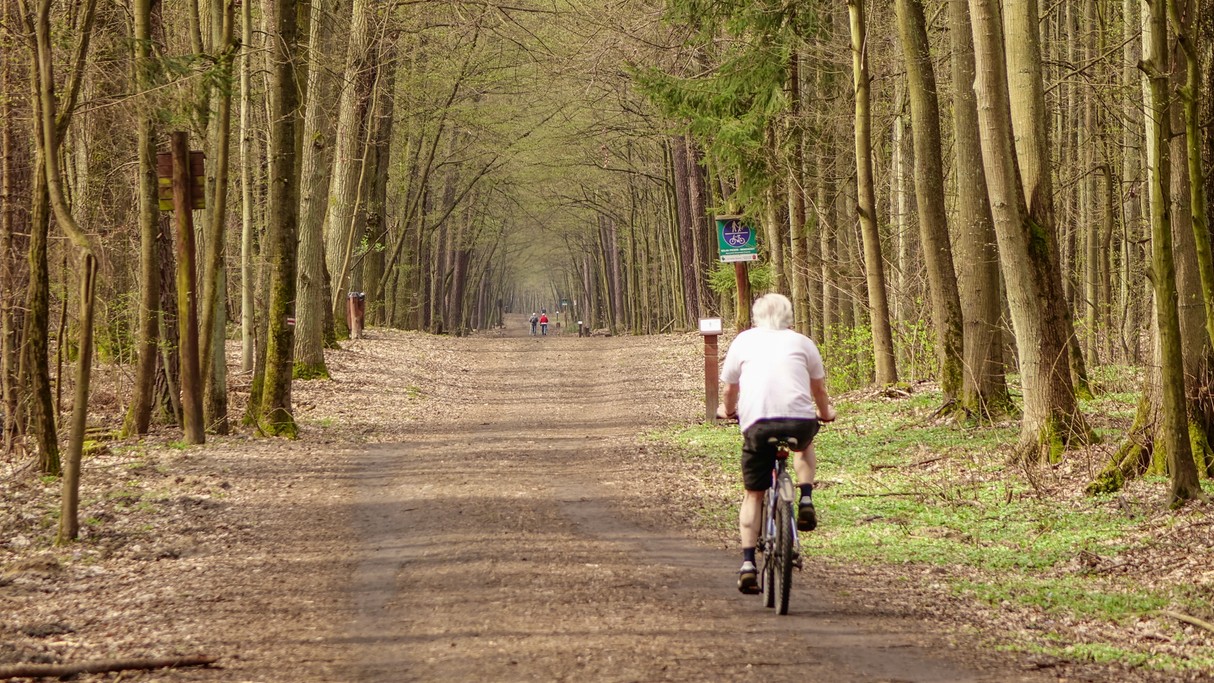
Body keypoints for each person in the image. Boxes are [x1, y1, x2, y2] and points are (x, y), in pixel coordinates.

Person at [717, 293, 836, 595]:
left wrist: (727, 411)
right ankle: (805, 497)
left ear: (756, 316)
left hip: (758, 424)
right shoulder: (803, 342)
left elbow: (730, 389)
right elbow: (818, 388)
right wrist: (826, 413)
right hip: (799, 421)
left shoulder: (743, 341)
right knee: (804, 445)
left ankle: (747, 564)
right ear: (789, 316)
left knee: (753, 495)